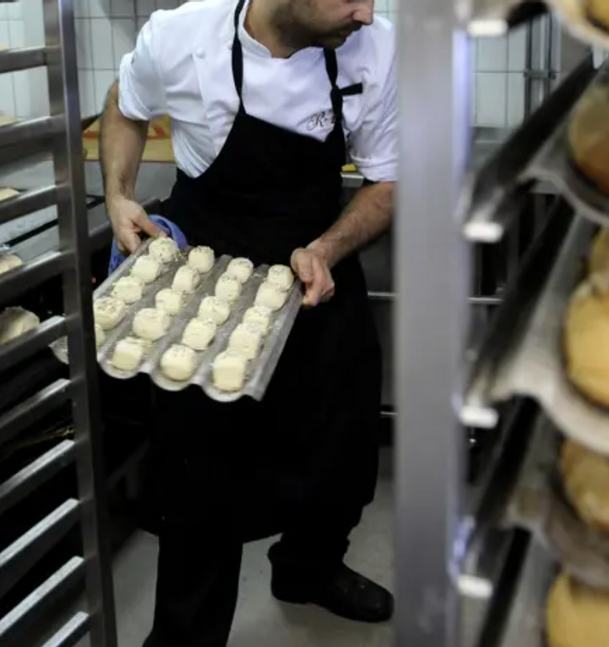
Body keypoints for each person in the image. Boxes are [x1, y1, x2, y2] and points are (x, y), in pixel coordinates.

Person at [98, 0, 397, 644]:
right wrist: (118, 195)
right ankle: (186, 635)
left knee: (343, 446)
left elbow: (388, 181)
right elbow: (125, 104)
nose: (367, 13)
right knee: (200, 476)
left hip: (315, 262)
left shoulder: (377, 49)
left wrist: (328, 249)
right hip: (207, 276)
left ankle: (309, 569)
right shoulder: (181, 36)